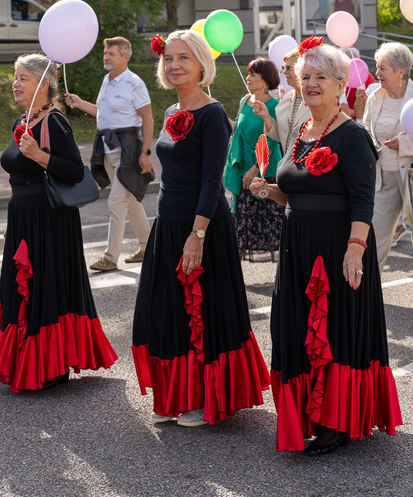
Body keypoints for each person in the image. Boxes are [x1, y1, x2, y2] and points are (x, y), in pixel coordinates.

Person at [250, 39, 402, 454]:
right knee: (295, 328)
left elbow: (362, 200)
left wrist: (355, 249)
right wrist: (269, 191)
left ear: (340, 85)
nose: (312, 84)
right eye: (306, 77)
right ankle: (307, 414)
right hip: (298, 244)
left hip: (337, 245)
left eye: (321, 77)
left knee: (332, 329)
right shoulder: (301, 129)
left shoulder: (352, 135)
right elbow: (294, 193)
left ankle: (335, 420)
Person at [132, 31, 270, 428]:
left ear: (202, 65)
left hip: (201, 227)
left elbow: (213, 181)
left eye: (184, 58)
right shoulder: (174, 106)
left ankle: (202, 400)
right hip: (168, 222)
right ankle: (175, 396)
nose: (175, 65)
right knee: (167, 312)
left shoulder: (212, 113)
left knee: (202, 315)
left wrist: (198, 235)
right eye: (169, 58)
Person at [0, 54, 117, 392]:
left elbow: (75, 170)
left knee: (46, 287)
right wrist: (10, 218)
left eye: (23, 78)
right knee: (23, 288)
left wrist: (40, 156)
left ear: (43, 85)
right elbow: (17, 173)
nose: (15, 83)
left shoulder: (55, 121)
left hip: (49, 218)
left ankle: (52, 363)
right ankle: (23, 360)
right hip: (23, 215)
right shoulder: (23, 119)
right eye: (14, 77)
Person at [361, 43, 413, 298]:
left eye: (382, 68)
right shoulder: (375, 96)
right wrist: (370, 146)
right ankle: (368, 281)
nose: (377, 72)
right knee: (376, 230)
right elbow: (366, 128)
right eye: (377, 67)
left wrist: (405, 144)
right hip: (383, 175)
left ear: (400, 71)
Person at [64, 37, 153, 270]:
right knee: (130, 201)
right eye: (105, 53)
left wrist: (146, 152)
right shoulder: (107, 80)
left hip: (129, 150)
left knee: (116, 202)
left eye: (111, 54)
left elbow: (148, 119)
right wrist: (79, 102)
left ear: (126, 56)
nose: (106, 57)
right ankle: (148, 247)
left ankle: (111, 258)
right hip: (107, 149)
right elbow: (102, 114)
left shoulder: (135, 83)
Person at [224, 58, 284, 260]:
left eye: (253, 75)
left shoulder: (275, 106)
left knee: (273, 225)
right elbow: (240, 132)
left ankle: (286, 270)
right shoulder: (244, 101)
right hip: (243, 171)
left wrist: (255, 169)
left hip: (265, 173)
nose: (248, 78)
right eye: (248, 74)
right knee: (242, 224)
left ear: (266, 80)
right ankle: (235, 276)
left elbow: (273, 142)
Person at [256, 47, 311, 154]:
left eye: (288, 67)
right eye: (283, 67)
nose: (284, 71)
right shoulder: (288, 98)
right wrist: (266, 116)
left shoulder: (315, 98)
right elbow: (283, 135)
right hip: (289, 164)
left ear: (302, 69)